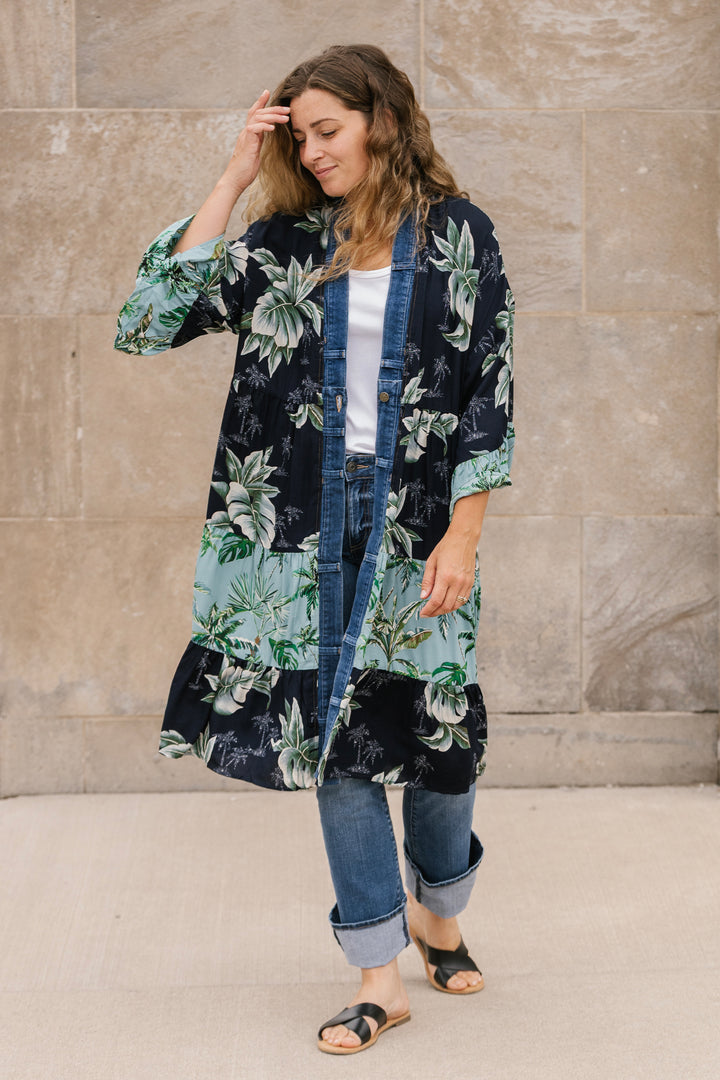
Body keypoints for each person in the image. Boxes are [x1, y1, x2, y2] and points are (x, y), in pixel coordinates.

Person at [115, 43, 514, 1055]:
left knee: (438, 739)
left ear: (382, 119)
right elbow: (148, 320)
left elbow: (487, 400)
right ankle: (380, 972)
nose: (314, 150)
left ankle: (439, 907)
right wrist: (232, 176)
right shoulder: (283, 242)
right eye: (299, 135)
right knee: (334, 743)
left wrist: (465, 532)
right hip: (294, 530)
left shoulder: (461, 239)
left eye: (327, 130)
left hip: (418, 524)